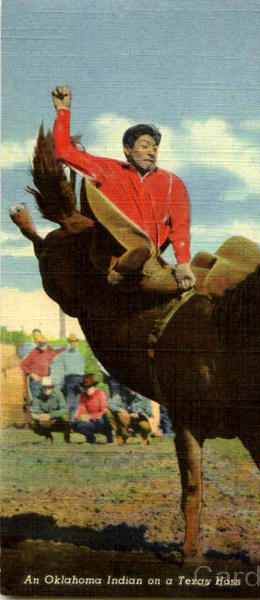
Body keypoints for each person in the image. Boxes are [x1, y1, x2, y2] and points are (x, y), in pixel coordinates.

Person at [51, 85, 196, 292]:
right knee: (139, 253)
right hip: (113, 251)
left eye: (155, 148)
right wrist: (63, 110)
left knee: (183, 279)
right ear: (127, 150)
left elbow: (180, 227)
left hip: (149, 257)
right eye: (145, 146)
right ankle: (118, 268)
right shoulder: (107, 170)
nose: (151, 152)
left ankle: (132, 266)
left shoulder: (173, 183)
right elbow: (65, 151)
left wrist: (183, 263)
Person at [106, 378, 153, 445]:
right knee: (108, 411)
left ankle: (144, 437)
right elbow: (109, 404)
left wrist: (139, 414)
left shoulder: (145, 397)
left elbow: (149, 413)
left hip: (139, 420)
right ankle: (121, 436)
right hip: (126, 419)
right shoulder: (122, 394)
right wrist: (120, 410)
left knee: (146, 427)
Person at [21, 333, 65, 400]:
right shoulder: (34, 353)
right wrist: (32, 374)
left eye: (44, 343)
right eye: (40, 343)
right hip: (36, 381)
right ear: (37, 343)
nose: (42, 345)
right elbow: (23, 365)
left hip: (46, 380)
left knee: (49, 398)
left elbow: (56, 353)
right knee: (37, 399)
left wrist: (64, 349)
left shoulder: (49, 350)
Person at [72, 374, 113, 444]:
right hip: (91, 421)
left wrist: (90, 416)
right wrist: (81, 416)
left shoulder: (101, 394)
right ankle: (91, 437)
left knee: (104, 417)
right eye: (85, 387)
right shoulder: (83, 396)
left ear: (94, 386)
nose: (87, 389)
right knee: (74, 424)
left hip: (101, 420)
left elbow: (103, 411)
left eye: (89, 387)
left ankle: (108, 436)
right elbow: (81, 409)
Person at [29, 377, 71, 443]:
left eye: (49, 387)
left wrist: (51, 415)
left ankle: (66, 436)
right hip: (43, 420)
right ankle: (47, 435)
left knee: (66, 418)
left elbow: (65, 409)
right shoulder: (37, 397)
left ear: (53, 387)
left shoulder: (59, 394)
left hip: (57, 419)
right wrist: (40, 416)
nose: (47, 389)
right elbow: (33, 412)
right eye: (45, 387)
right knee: (32, 423)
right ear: (41, 387)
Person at [52, 333, 85, 417]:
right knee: (71, 400)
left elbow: (81, 368)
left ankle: (81, 419)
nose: (74, 343)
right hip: (70, 379)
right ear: (69, 342)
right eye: (72, 342)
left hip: (80, 378)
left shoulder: (79, 354)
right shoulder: (63, 354)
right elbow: (58, 367)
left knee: (82, 400)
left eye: (75, 341)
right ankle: (72, 421)